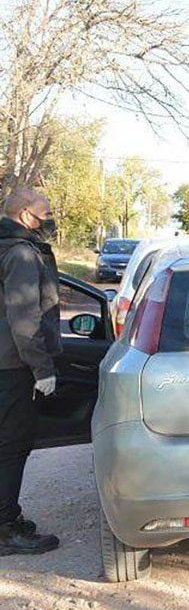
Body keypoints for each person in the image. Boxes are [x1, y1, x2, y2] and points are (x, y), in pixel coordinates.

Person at [0, 188, 62, 556]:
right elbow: (25, 318)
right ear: (25, 214)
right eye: (44, 213)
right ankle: (6, 530)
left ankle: (7, 516)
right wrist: (42, 368)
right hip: (14, 367)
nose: (48, 220)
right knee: (11, 447)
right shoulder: (22, 253)